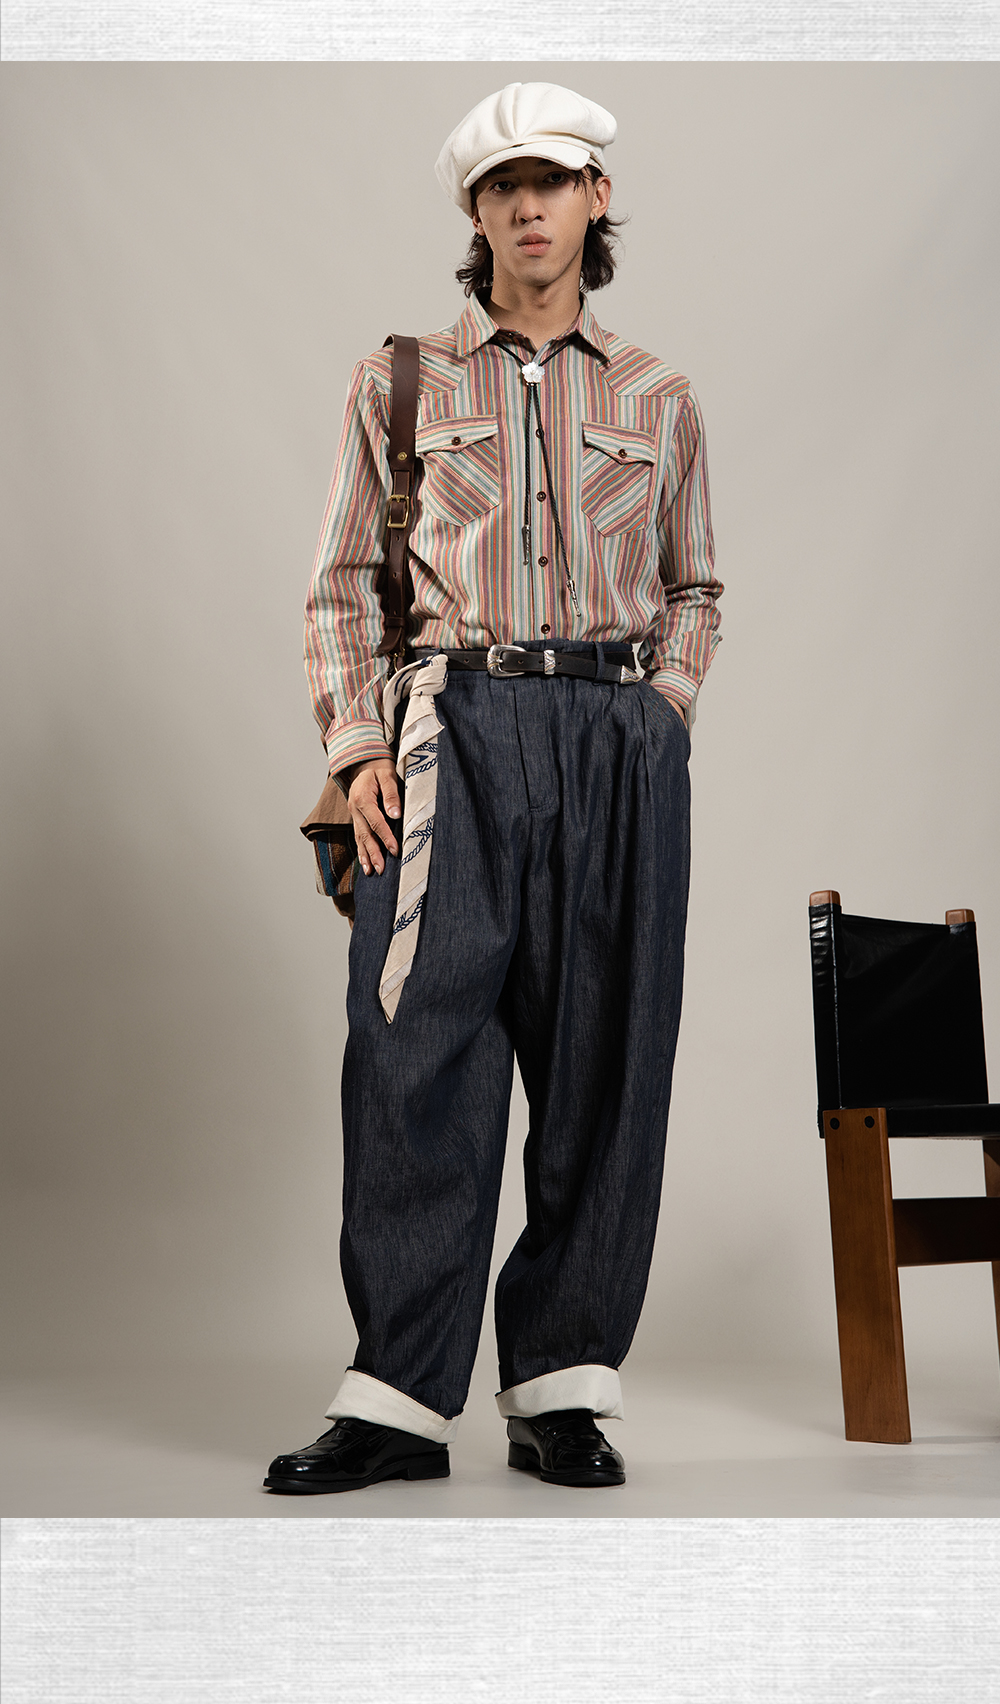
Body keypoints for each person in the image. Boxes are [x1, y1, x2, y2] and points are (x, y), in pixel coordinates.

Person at [265, 80, 722, 1495]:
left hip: (611, 734)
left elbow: (697, 587)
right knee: (416, 1055)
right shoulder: (400, 382)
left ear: (596, 198)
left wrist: (659, 718)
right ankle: (400, 1400)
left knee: (606, 1059)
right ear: (476, 212)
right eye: (503, 187)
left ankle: (561, 1390)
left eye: (553, 181)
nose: (529, 208)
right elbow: (343, 583)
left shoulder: (659, 395)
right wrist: (357, 751)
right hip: (447, 734)